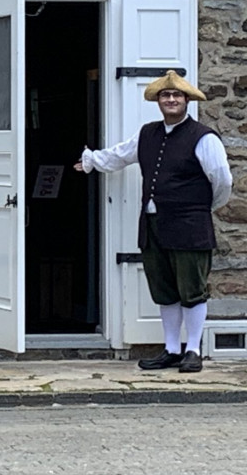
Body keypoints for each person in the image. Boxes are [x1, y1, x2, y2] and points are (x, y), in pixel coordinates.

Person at [73, 70, 232, 373]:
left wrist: (201, 208)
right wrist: (93, 160)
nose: (171, 100)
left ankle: (194, 350)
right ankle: (172, 349)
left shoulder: (204, 138)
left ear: (187, 100)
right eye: (165, 95)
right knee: (164, 288)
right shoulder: (148, 133)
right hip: (153, 224)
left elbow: (222, 181)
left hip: (190, 226)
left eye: (176, 95)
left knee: (192, 288)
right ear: (158, 101)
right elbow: (120, 155)